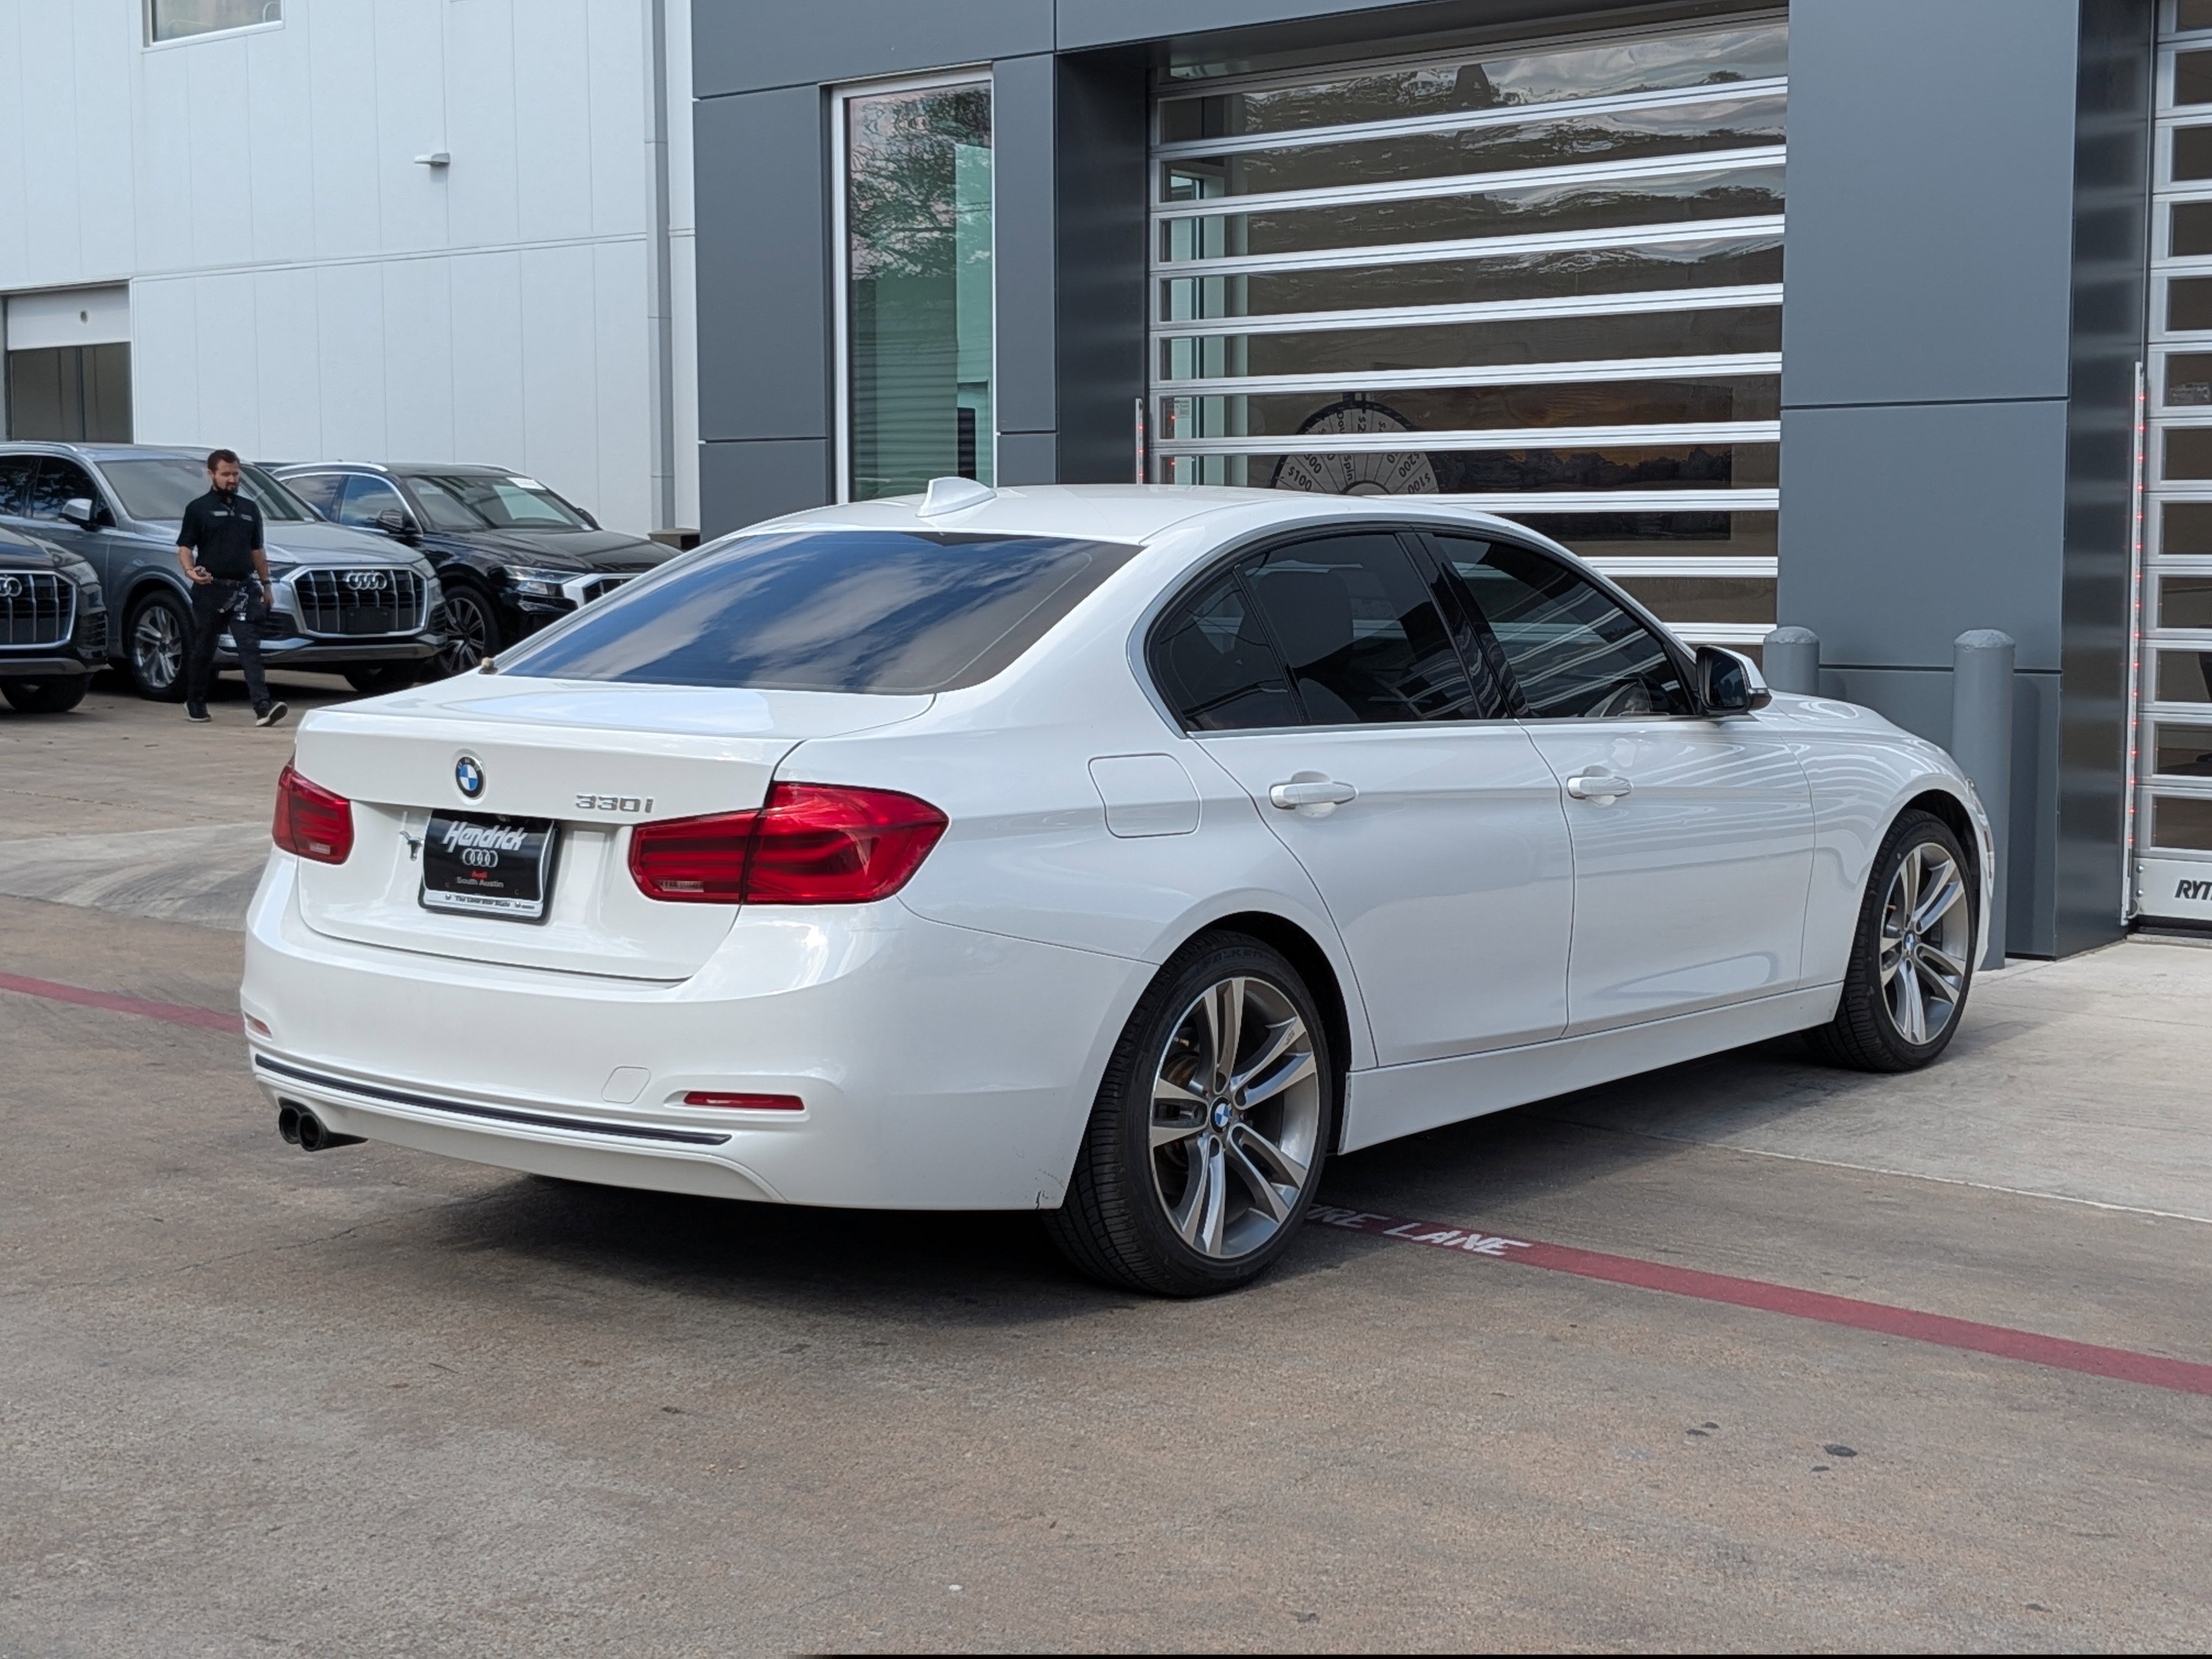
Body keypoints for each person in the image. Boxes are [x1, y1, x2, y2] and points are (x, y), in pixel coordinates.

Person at [176, 448, 286, 727]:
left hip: (243, 591)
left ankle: (264, 707)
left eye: (236, 474)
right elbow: (185, 547)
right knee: (204, 648)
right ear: (212, 474)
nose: (232, 479)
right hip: (210, 590)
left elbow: (257, 551)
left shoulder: (250, 510)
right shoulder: (198, 509)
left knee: (249, 647)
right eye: (226, 474)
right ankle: (196, 702)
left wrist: (266, 585)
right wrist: (190, 571)